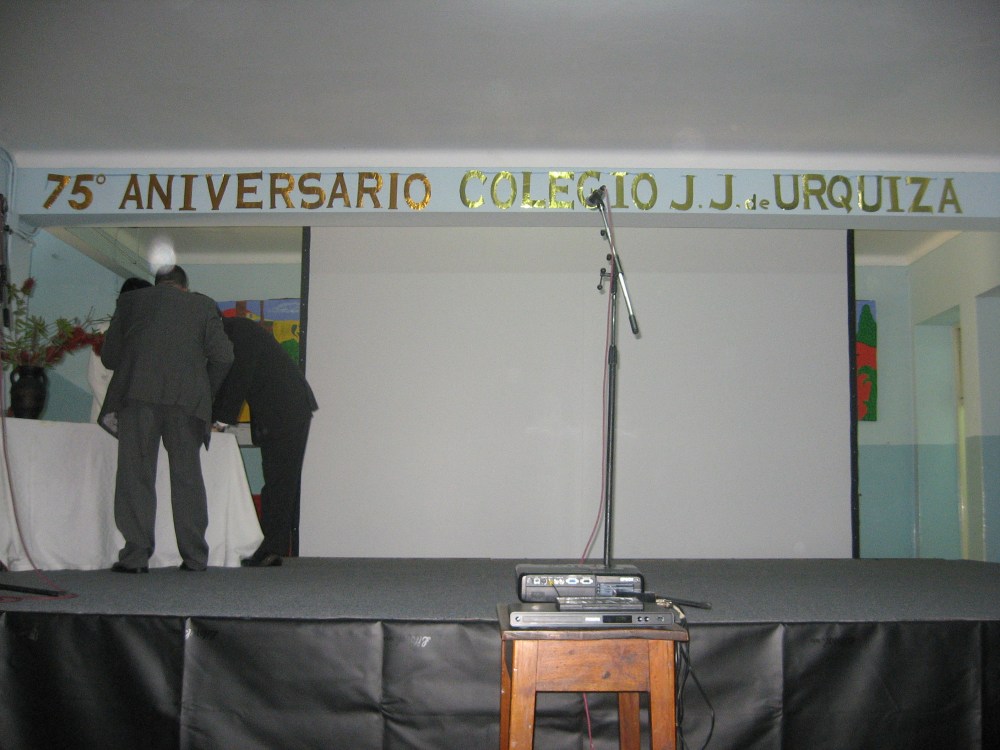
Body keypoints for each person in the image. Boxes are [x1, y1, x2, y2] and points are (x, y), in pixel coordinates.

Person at [98, 265, 233, 573]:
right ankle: (195, 557)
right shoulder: (202, 305)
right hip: (185, 402)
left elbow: (109, 357)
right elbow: (224, 356)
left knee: (135, 476)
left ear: (156, 284)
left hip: (137, 396)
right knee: (187, 477)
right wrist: (204, 390)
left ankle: (135, 557)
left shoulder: (131, 302)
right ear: (184, 287)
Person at [213, 315, 317, 567]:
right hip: (284, 411)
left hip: (286, 411)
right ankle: (275, 547)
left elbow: (238, 379)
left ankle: (272, 548)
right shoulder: (236, 332)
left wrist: (219, 422)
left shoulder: (238, 333)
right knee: (279, 481)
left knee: (278, 482)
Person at [88, 277, 152, 421]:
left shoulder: (147, 335)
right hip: (105, 415)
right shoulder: (104, 331)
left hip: (133, 419)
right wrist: (114, 413)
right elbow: (95, 379)